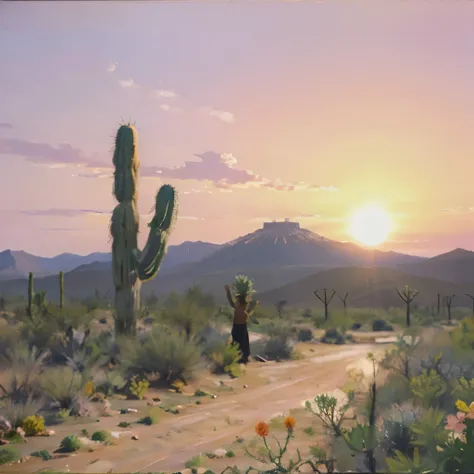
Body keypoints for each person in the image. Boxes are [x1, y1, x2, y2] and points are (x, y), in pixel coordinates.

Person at [224, 284, 259, 364]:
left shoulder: (244, 307)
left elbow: (248, 312)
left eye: (238, 301)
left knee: (242, 344)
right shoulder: (238, 305)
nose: (237, 302)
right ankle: (237, 358)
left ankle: (243, 358)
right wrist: (228, 291)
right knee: (236, 343)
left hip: (242, 327)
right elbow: (231, 302)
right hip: (237, 326)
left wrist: (254, 305)